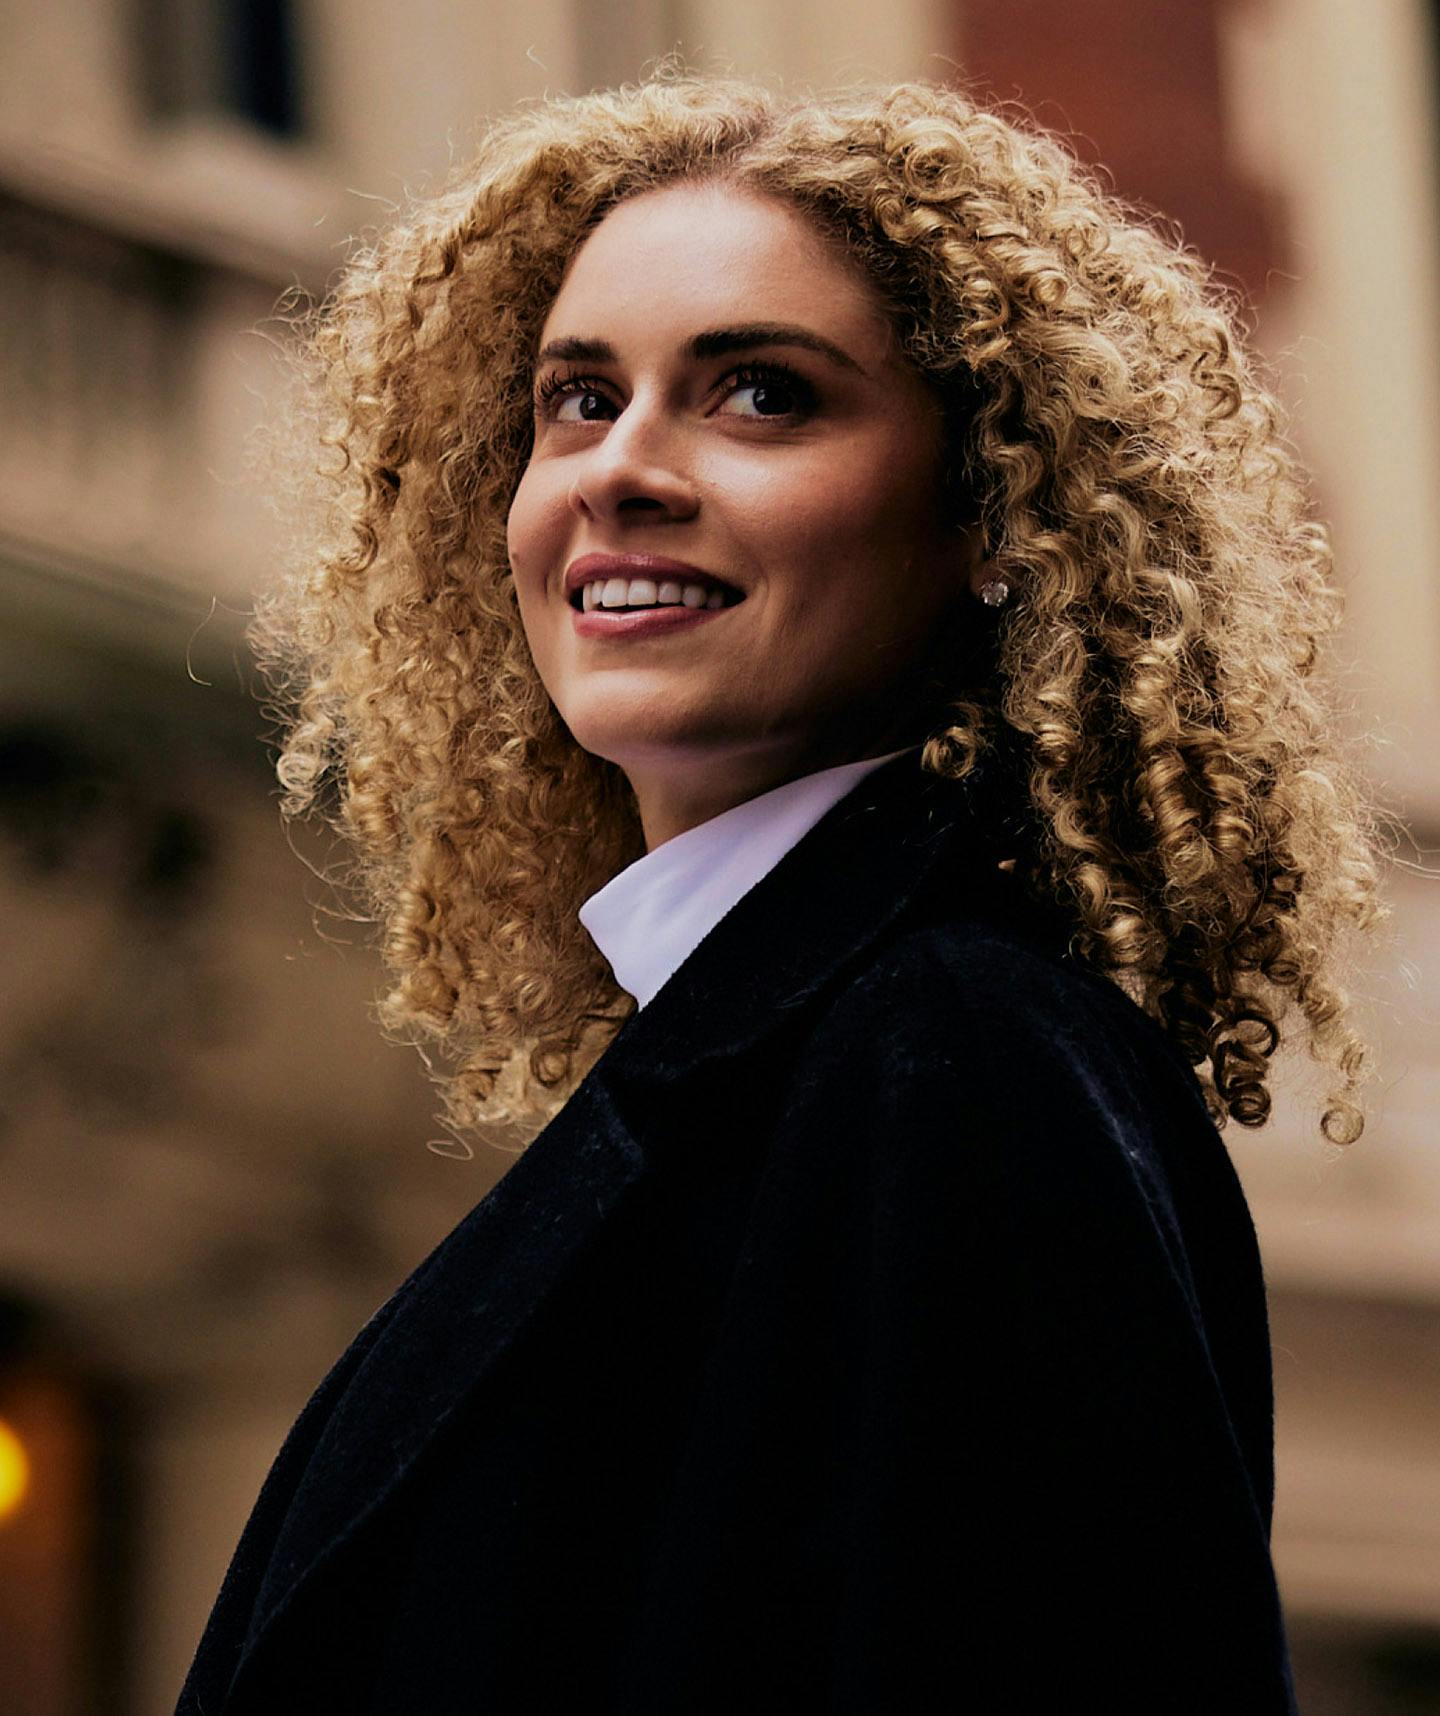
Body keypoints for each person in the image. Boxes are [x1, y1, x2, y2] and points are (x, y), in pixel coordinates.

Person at [176, 67, 1387, 1713]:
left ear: (994, 513)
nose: (624, 468)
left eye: (760, 396)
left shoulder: (956, 1061)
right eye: (578, 399)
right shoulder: (791, 1059)